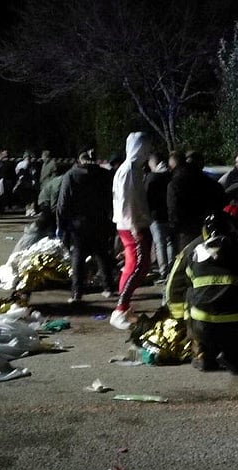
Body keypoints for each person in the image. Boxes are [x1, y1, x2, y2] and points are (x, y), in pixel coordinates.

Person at [164, 211, 238, 375]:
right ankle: (236, 355)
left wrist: (181, 320)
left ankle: (202, 353)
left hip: (202, 325)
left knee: (191, 292)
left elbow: (175, 286)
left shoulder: (193, 255)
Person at [57, 148, 117, 303]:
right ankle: (109, 288)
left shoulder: (71, 175)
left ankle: (77, 292)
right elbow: (112, 196)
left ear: (79, 159)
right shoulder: (104, 174)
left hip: (78, 223)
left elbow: (63, 202)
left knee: (78, 257)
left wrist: (61, 224)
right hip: (100, 220)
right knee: (102, 254)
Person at [110, 132, 153, 330]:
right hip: (133, 224)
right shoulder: (130, 170)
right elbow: (128, 200)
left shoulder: (130, 169)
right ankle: (120, 309)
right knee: (138, 267)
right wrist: (135, 224)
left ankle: (124, 308)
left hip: (129, 223)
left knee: (132, 266)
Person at [167, 150, 226, 251]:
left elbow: (173, 210)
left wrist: (173, 230)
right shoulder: (212, 184)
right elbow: (221, 204)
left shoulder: (176, 183)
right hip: (210, 228)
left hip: (187, 232)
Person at [144, 151, 175, 280]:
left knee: (160, 244)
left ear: (153, 163)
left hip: (155, 215)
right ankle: (172, 269)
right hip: (169, 214)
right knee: (170, 242)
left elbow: (146, 196)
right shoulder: (171, 175)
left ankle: (163, 271)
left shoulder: (151, 178)